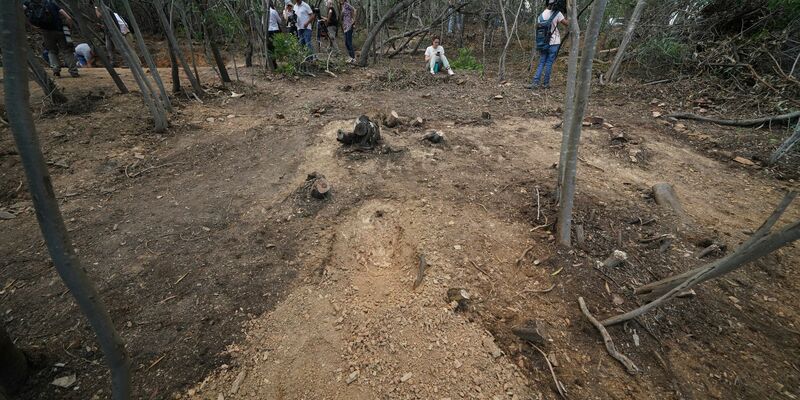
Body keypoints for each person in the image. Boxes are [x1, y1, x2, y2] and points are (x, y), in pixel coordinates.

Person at [23, 0, 79, 77]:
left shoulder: (29, 3)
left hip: (46, 32)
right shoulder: (51, 3)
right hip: (60, 30)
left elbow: (21, 10)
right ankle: (74, 71)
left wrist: (31, 24)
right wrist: (69, 26)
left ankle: (56, 70)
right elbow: (68, 17)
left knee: (51, 51)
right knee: (67, 51)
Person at [528, 0, 568, 89]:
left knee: (541, 62)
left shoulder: (541, 15)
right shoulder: (558, 13)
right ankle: (545, 84)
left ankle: (535, 82)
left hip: (543, 43)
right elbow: (567, 24)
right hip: (554, 43)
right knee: (549, 63)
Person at [264, 0, 282, 69]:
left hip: (268, 31)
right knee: (276, 47)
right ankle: (275, 62)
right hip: (275, 31)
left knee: (270, 47)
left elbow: (263, 23)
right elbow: (279, 21)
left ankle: (272, 63)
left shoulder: (264, 12)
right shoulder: (274, 11)